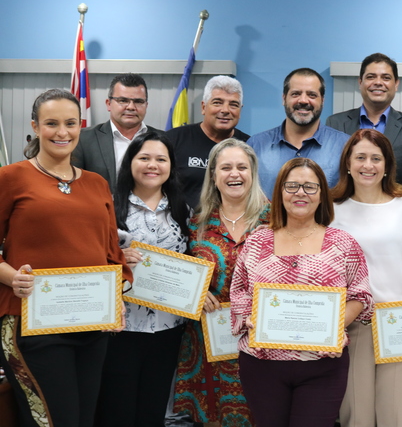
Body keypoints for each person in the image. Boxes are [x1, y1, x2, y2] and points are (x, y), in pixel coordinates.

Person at [0, 89, 132, 427]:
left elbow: (109, 253)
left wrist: (117, 295)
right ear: (35, 126)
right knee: (52, 419)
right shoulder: (11, 178)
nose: (62, 132)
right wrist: (10, 275)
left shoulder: (97, 183)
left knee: (83, 418)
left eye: (70, 123)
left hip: (91, 322)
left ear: (81, 126)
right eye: (52, 123)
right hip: (30, 321)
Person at [230, 158, 373, 427]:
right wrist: (249, 317)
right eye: (292, 185)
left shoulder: (343, 243)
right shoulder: (257, 241)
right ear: (279, 192)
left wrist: (330, 329)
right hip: (261, 364)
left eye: (310, 187)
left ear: (322, 195)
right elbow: (238, 291)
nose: (300, 193)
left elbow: (360, 296)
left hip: (322, 367)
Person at [330, 129, 402, 427]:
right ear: (348, 164)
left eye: (376, 158)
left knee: (397, 418)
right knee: (357, 418)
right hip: (352, 328)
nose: (368, 165)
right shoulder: (330, 210)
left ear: (387, 165)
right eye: (361, 157)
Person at [95, 131, 191, 427]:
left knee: (153, 409)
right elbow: (90, 261)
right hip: (121, 328)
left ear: (171, 166)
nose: (153, 165)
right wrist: (118, 262)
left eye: (161, 159)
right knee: (117, 409)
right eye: (144, 158)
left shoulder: (182, 210)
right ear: (130, 163)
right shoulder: (108, 206)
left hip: (168, 328)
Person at [173, 138, 270, 427]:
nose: (234, 174)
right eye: (225, 167)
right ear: (213, 175)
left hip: (260, 341)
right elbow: (175, 278)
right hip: (207, 344)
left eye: (242, 167)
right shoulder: (195, 224)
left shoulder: (276, 221)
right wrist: (195, 294)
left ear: (252, 173)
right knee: (213, 417)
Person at [326, 53, 402, 206]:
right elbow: (330, 177)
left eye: (386, 78)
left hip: (393, 220)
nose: (378, 82)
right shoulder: (336, 124)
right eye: (371, 77)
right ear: (360, 82)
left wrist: (388, 212)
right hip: (344, 216)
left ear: (396, 84)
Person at [249, 68, 350, 199]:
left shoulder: (344, 146)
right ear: (284, 98)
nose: (303, 100)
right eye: (296, 94)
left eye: (312, 95)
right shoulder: (256, 146)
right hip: (269, 220)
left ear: (322, 100)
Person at [166, 75, 250, 210]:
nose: (225, 110)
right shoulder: (173, 140)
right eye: (217, 102)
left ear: (240, 111)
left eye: (233, 105)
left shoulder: (249, 146)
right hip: (181, 227)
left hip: (231, 228)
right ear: (204, 107)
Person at [72, 73, 162, 191]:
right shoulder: (83, 139)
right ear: (108, 104)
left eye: (138, 101)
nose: (131, 107)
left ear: (146, 105)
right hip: (100, 208)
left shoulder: (163, 139)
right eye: (123, 100)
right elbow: (74, 184)